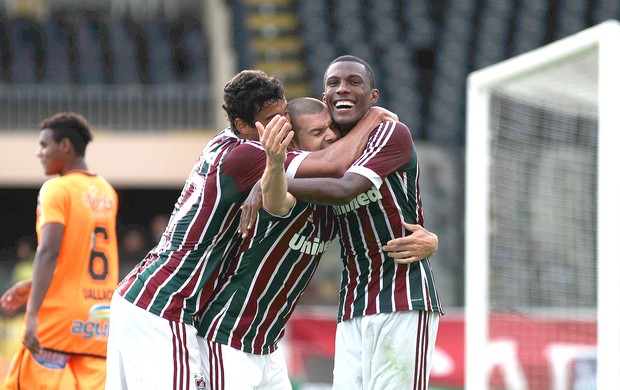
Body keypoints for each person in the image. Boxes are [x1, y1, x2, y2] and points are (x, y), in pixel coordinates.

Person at [104, 70, 389, 389]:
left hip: (149, 296)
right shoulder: (250, 154)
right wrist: (373, 119)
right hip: (164, 303)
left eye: (284, 115)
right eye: (271, 119)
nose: (283, 126)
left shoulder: (226, 143)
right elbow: (334, 166)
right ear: (242, 125)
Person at [196, 97, 439, 389]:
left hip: (267, 345)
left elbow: (357, 199)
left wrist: (429, 239)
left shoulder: (326, 193)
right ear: (293, 146)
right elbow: (281, 198)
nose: (331, 137)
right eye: (316, 133)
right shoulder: (282, 180)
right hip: (227, 335)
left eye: (331, 129)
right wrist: (266, 183)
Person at [282, 56, 444, 389]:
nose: (342, 88)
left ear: (373, 97)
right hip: (353, 303)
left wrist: (271, 184)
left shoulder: (389, 132)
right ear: (325, 97)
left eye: (354, 82)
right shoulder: (317, 146)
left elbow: (345, 189)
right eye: (333, 83)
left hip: (402, 298)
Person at [0, 112, 119, 390]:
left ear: (65, 146)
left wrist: (31, 314)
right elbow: (79, 258)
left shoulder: (56, 188)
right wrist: (33, 284)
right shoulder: (107, 191)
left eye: (44, 145)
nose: (39, 153)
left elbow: (49, 251)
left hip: (58, 323)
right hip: (97, 322)